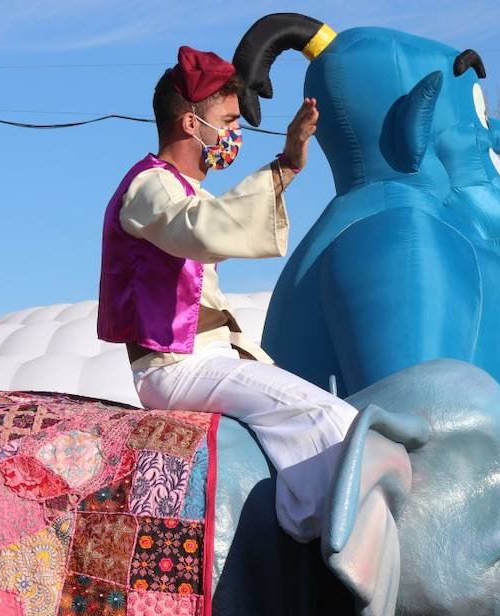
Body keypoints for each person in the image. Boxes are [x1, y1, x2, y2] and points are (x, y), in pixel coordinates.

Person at [97, 45, 359, 542]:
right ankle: (321, 543)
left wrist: (286, 167)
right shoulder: (149, 186)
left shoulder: (188, 191)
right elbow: (201, 230)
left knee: (319, 412)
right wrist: (283, 167)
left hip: (208, 359)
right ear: (192, 125)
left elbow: (207, 222)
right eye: (229, 119)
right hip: (176, 367)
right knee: (327, 419)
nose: (235, 133)